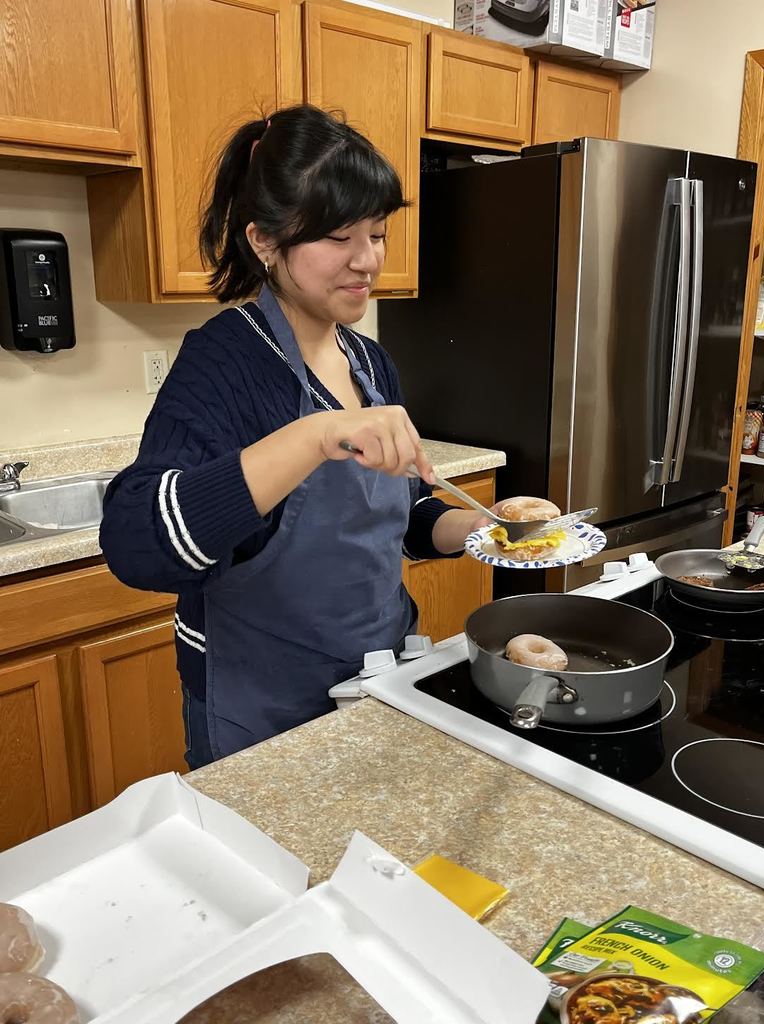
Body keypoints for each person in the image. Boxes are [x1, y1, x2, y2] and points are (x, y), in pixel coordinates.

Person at [100, 105, 519, 769]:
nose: (368, 259)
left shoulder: (369, 361)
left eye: (377, 233)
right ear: (265, 241)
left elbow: (401, 514)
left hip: (381, 680)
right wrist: (316, 435)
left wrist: (480, 529)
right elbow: (136, 541)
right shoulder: (224, 361)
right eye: (338, 237)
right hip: (264, 704)